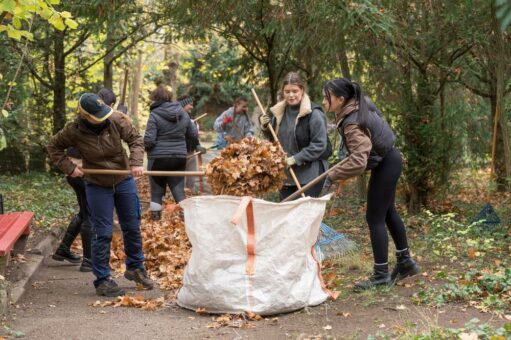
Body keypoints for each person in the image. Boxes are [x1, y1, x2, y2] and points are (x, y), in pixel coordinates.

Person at [47, 93, 154, 297]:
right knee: (102, 231)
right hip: (97, 184)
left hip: (123, 180)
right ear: (85, 115)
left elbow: (136, 140)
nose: (103, 117)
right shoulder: (74, 130)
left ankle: (135, 267)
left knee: (132, 226)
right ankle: (103, 279)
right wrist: (70, 168)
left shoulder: (116, 120)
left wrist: (136, 162)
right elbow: (53, 147)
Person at [322, 78, 419, 291]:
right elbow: (369, 141)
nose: (323, 100)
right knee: (387, 212)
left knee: (374, 217)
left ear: (341, 98)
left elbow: (358, 161)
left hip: (386, 163)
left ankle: (381, 274)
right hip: (389, 159)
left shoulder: (352, 121)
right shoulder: (359, 105)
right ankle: (405, 262)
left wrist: (332, 176)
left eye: (326, 96)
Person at [259, 72, 331, 201]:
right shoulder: (279, 112)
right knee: (288, 215)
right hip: (287, 175)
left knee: (303, 214)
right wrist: (265, 127)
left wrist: (295, 159)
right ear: (283, 92)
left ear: (302, 90)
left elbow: (319, 145)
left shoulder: (314, 114)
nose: (291, 95)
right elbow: (274, 139)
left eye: (295, 91)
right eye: (287, 92)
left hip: (311, 174)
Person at [144, 86, 199, 220]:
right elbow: (193, 134)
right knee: (178, 190)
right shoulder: (184, 113)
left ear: (156, 99)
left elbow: (149, 141)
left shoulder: (154, 114)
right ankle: (185, 220)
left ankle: (155, 221)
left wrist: (144, 142)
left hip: (158, 159)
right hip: (179, 158)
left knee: (156, 192)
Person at [51, 147, 92, 272]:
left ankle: (63, 249)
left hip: (75, 172)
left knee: (84, 212)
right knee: (89, 216)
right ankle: (88, 261)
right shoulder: (85, 128)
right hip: (81, 172)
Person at [178, 95, 206, 194]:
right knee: (179, 180)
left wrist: (197, 145)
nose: (192, 107)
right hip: (179, 152)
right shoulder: (175, 117)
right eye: (190, 104)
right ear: (184, 104)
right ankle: (179, 199)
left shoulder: (189, 117)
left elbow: (193, 135)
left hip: (191, 151)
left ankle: (191, 194)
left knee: (191, 178)